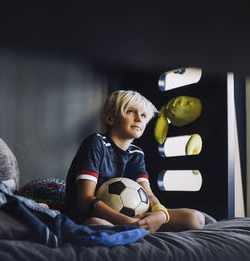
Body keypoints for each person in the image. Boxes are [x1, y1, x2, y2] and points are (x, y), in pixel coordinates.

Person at [65, 90, 205, 233]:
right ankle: (128, 230)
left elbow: (148, 195)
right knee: (97, 224)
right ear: (110, 119)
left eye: (143, 115)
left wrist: (161, 214)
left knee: (195, 218)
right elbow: (85, 201)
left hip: (134, 217)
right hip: (93, 215)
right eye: (130, 111)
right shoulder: (96, 143)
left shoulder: (136, 154)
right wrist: (128, 222)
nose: (139, 119)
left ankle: (136, 229)